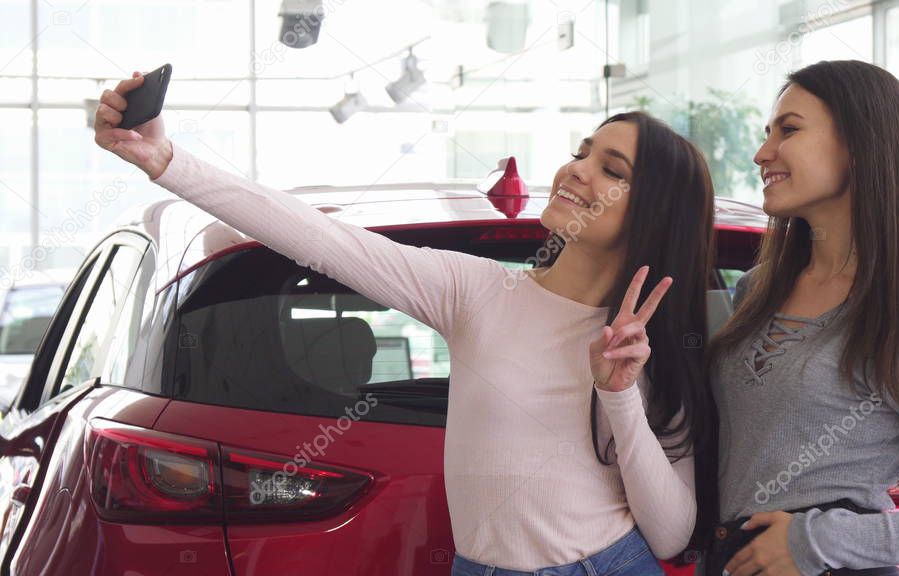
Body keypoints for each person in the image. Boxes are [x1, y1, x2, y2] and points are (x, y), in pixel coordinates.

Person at [93, 73, 720, 575]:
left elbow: (670, 533)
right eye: (583, 152)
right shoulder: (476, 293)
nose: (578, 169)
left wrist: (618, 397)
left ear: (655, 212)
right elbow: (318, 238)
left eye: (613, 171)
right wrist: (165, 158)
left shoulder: (648, 346)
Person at [707, 60, 899, 576]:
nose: (763, 154)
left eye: (790, 130)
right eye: (767, 134)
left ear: (858, 145)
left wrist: (813, 540)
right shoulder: (754, 291)